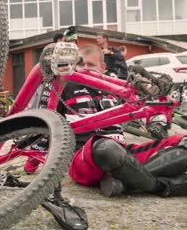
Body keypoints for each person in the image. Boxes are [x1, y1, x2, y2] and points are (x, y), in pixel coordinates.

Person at [59, 44, 187, 197]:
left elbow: (143, 105)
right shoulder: (66, 87)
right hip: (85, 157)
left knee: (183, 140)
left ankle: (125, 184)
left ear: (102, 67)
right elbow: (45, 122)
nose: (85, 68)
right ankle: (156, 186)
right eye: (80, 64)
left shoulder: (116, 88)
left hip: (125, 155)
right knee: (106, 147)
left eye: (91, 65)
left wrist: (160, 96)